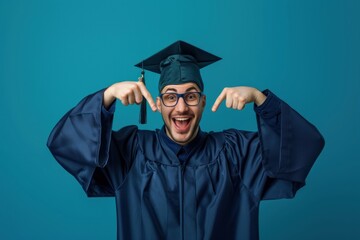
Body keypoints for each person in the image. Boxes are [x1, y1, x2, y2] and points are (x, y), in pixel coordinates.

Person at [47, 40, 325, 240]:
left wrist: (261, 100)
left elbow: (303, 147)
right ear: (157, 103)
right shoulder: (131, 153)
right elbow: (64, 143)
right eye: (171, 96)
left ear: (203, 102)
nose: (181, 108)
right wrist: (106, 97)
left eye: (191, 96)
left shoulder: (237, 154)